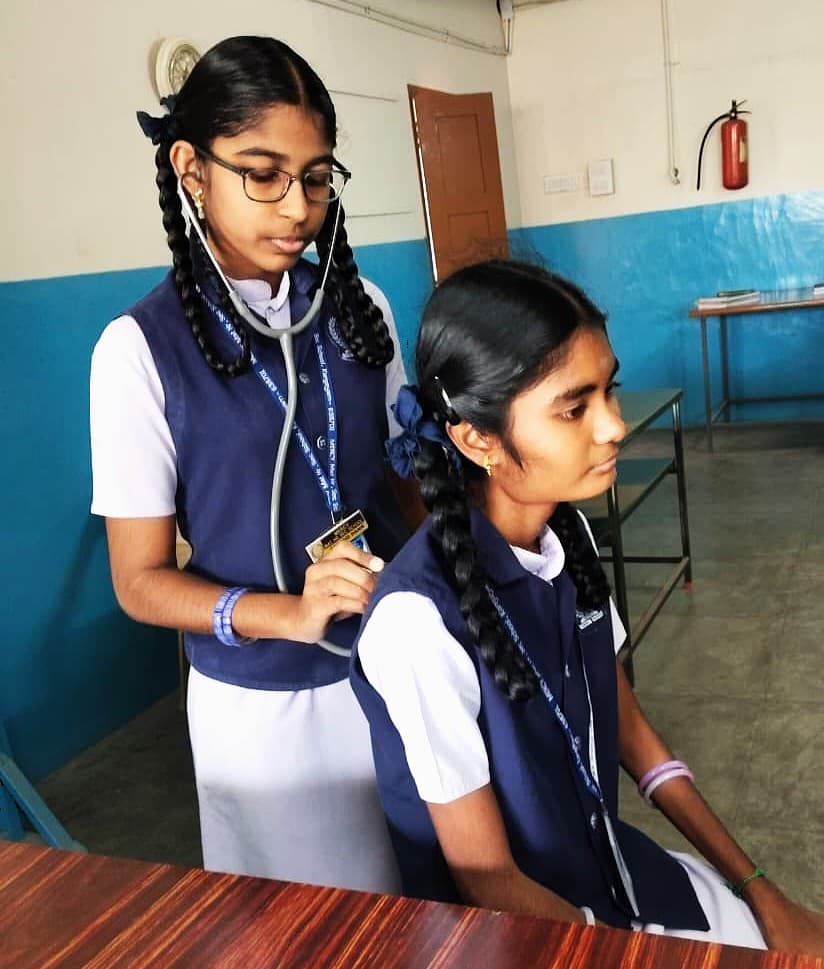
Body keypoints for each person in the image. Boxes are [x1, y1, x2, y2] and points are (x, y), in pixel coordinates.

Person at [350, 259, 824, 953]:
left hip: (607, 874)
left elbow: (633, 736)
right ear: (476, 437)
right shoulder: (416, 621)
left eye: (610, 390)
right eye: (575, 407)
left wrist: (760, 888)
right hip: (520, 933)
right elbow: (488, 883)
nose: (614, 426)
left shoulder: (566, 544)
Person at [90, 35, 423, 892]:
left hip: (394, 660)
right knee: (317, 924)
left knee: (430, 902)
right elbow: (140, 582)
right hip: (268, 709)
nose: (296, 207)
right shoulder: (137, 351)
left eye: (315, 178)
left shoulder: (359, 309)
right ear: (191, 170)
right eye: (263, 172)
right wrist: (289, 615)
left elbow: (406, 482)